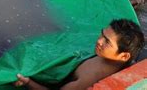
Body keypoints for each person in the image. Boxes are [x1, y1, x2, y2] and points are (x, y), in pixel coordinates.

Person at [14, 19, 144, 90]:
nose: (99, 40)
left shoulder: (88, 79)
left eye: (107, 42)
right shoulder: (118, 59)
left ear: (124, 56)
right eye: (102, 34)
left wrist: (28, 82)